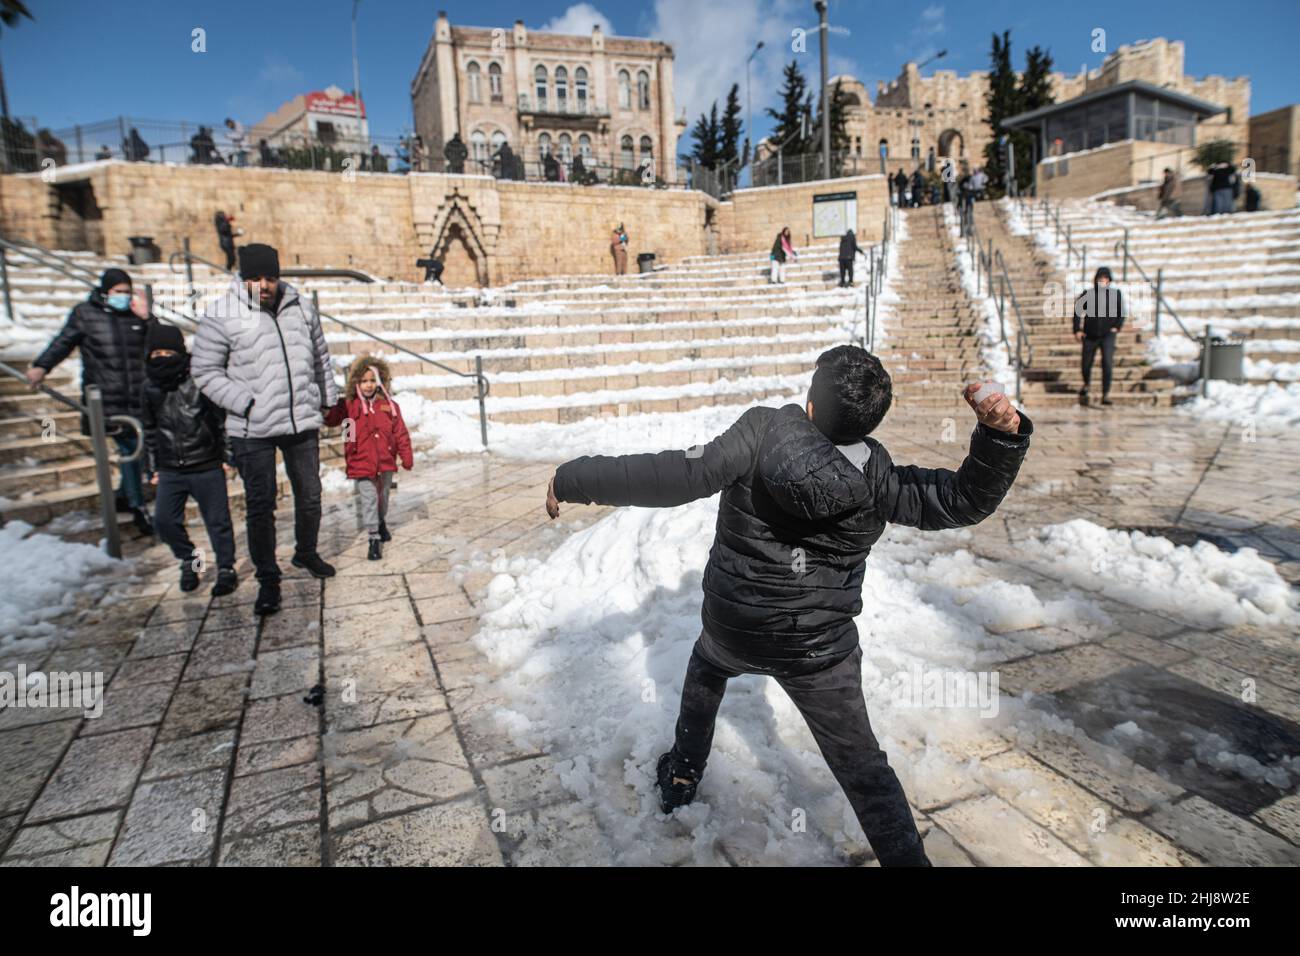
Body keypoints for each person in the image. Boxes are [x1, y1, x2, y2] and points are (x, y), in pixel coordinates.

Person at [543, 346, 1033, 866]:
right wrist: (1001, 436)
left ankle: (682, 772)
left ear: (813, 405)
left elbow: (676, 476)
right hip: (817, 649)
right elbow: (960, 500)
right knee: (864, 767)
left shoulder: (759, 433)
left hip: (735, 626)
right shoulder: (879, 478)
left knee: (707, 669)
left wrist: (573, 478)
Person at [191, 243, 340, 616]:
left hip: (299, 420)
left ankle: (306, 553)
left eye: (271, 277)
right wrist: (245, 403)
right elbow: (205, 372)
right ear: (242, 279)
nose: (264, 284)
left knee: (310, 495)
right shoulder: (222, 314)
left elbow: (320, 356)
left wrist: (327, 397)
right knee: (261, 504)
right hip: (252, 427)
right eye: (256, 278)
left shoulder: (301, 307)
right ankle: (268, 578)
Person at [27, 268, 153, 535]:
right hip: (106, 401)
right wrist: (41, 367)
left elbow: (157, 345)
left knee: (138, 450)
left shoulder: (136, 317)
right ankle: (137, 505)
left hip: (137, 399)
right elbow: (63, 342)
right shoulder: (86, 314)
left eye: (127, 291)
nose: (124, 296)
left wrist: (147, 318)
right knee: (133, 447)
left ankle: (123, 495)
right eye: (119, 291)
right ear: (106, 291)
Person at [140, 322, 239, 596]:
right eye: (156, 354)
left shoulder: (199, 380)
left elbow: (222, 419)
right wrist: (151, 466)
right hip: (171, 467)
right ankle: (190, 559)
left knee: (218, 521)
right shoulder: (149, 387)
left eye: (167, 353)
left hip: (205, 462)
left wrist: (227, 454)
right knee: (164, 521)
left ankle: (226, 568)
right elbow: (148, 429)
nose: (162, 359)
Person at [323, 355, 413, 561]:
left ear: (380, 381)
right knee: (369, 499)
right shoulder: (349, 406)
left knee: (383, 498)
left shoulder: (389, 406)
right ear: (356, 382)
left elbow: (400, 432)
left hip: (386, 462)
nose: (368, 385)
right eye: (364, 381)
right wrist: (328, 412)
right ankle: (373, 537)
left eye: (373, 380)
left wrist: (405, 455)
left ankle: (381, 522)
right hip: (362, 462)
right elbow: (340, 424)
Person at [1073, 266, 1125, 407]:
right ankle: (1086, 384)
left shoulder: (1116, 294)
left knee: (1107, 363)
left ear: (1109, 281)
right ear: (1096, 280)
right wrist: (1077, 329)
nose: (1103, 281)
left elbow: (1121, 313)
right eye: (1100, 278)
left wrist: (1117, 327)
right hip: (1090, 335)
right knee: (1086, 363)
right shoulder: (1087, 294)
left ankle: (1105, 393)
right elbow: (1077, 312)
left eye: (1105, 278)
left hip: (1108, 335)